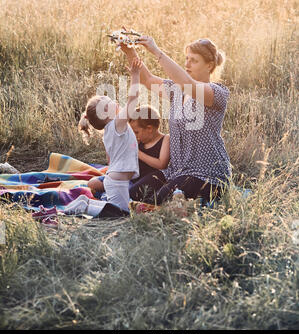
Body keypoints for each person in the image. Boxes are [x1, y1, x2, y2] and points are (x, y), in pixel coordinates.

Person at [121, 35, 231, 205]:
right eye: (186, 58)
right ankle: (181, 201)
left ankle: (192, 203)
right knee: (132, 195)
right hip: (175, 170)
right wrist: (130, 51)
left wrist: (156, 51)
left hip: (206, 174)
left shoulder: (217, 94)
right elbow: (148, 80)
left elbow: (188, 83)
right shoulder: (177, 90)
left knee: (153, 203)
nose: (187, 64)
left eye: (193, 60)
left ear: (209, 65)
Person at [35, 57, 142, 220]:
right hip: (118, 181)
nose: (115, 102)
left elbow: (110, 158)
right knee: (122, 214)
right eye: (110, 102)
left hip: (113, 179)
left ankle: (85, 202)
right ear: (106, 113)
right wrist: (135, 75)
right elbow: (133, 100)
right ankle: (84, 207)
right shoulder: (117, 125)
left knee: (118, 209)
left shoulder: (109, 130)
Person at [88, 104, 170, 202]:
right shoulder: (138, 141)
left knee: (129, 192)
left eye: (136, 132)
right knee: (92, 183)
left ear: (149, 129)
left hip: (144, 180)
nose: (134, 135)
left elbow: (162, 164)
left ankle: (107, 196)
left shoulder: (166, 139)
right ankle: (108, 193)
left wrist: (138, 153)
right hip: (128, 177)